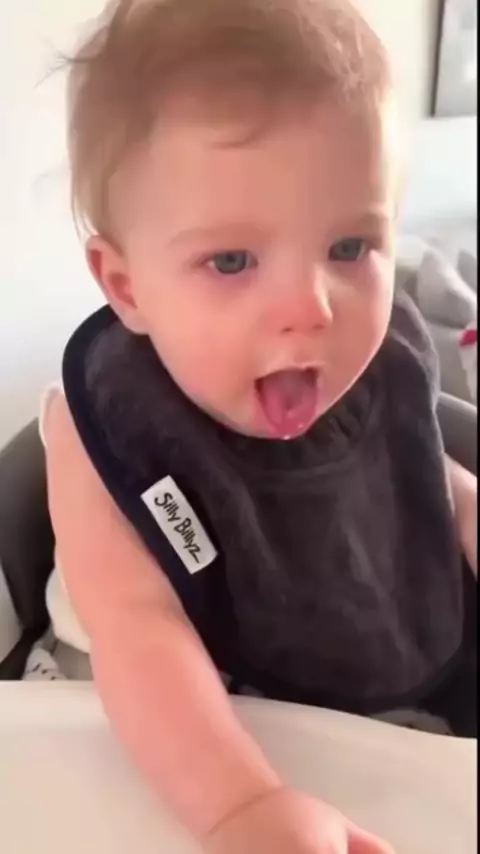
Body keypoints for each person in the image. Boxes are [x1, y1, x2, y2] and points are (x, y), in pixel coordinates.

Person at [44, 1, 478, 852]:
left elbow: (426, 480)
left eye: (349, 248)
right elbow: (139, 629)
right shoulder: (111, 430)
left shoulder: (376, 366)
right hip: (180, 730)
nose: (311, 307)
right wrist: (239, 807)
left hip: (383, 708)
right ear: (127, 287)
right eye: (232, 261)